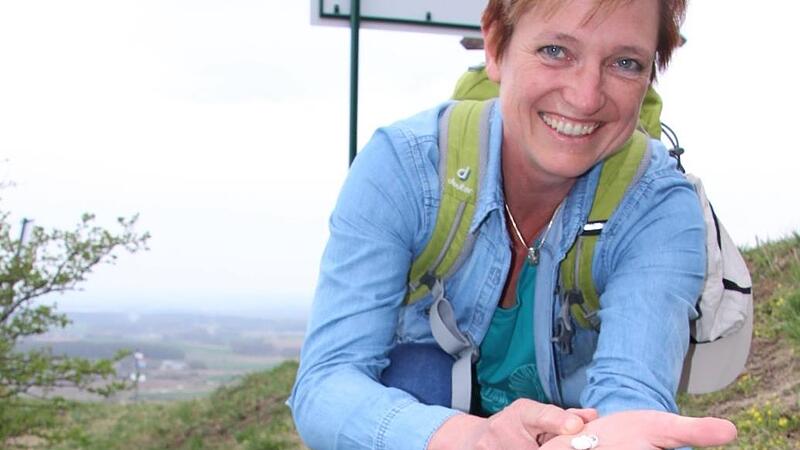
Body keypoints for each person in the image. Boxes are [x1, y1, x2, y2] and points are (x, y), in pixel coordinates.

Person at [289, 0, 738, 449]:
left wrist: (598, 441)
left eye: (625, 63)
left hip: (571, 431)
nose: (585, 97)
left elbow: (632, 398)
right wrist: (472, 439)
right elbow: (326, 383)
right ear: (495, 45)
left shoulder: (657, 204)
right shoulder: (406, 168)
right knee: (414, 376)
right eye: (555, 51)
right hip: (435, 428)